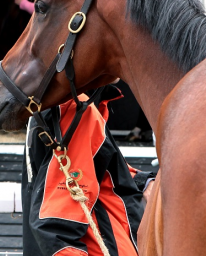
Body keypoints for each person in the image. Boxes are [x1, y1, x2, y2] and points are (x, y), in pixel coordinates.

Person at [22, 85, 155, 256]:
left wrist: (143, 182)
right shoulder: (76, 108)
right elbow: (57, 227)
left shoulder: (68, 104)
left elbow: (94, 168)